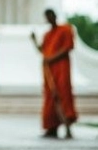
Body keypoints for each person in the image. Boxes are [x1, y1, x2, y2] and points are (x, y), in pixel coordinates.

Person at [31, 8, 78, 139]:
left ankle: (68, 127)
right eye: (47, 17)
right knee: (50, 97)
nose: (49, 18)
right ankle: (52, 128)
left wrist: (52, 58)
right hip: (49, 71)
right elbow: (43, 51)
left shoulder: (65, 29)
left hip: (61, 68)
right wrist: (34, 40)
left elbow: (68, 47)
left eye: (51, 15)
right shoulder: (47, 35)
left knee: (63, 95)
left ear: (54, 16)